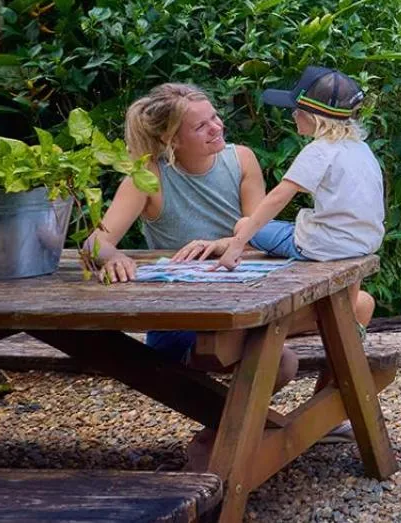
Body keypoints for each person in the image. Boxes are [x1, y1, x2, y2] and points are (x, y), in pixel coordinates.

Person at [79, 82, 298, 461]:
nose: (217, 127)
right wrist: (111, 256)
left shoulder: (242, 160)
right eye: (201, 126)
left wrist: (224, 245)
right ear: (170, 139)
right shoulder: (149, 175)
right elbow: (94, 243)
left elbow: (263, 235)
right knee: (279, 361)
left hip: (243, 308)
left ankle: (221, 433)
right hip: (180, 320)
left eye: (215, 117)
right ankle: (225, 438)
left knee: (346, 311)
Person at [194, 67, 381, 332]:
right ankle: (348, 320)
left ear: (314, 118)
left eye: (297, 110)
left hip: (321, 246)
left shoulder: (319, 151)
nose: (293, 115)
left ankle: (250, 306)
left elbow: (277, 198)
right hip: (363, 242)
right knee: (330, 247)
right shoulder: (361, 150)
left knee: (244, 225)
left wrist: (237, 244)